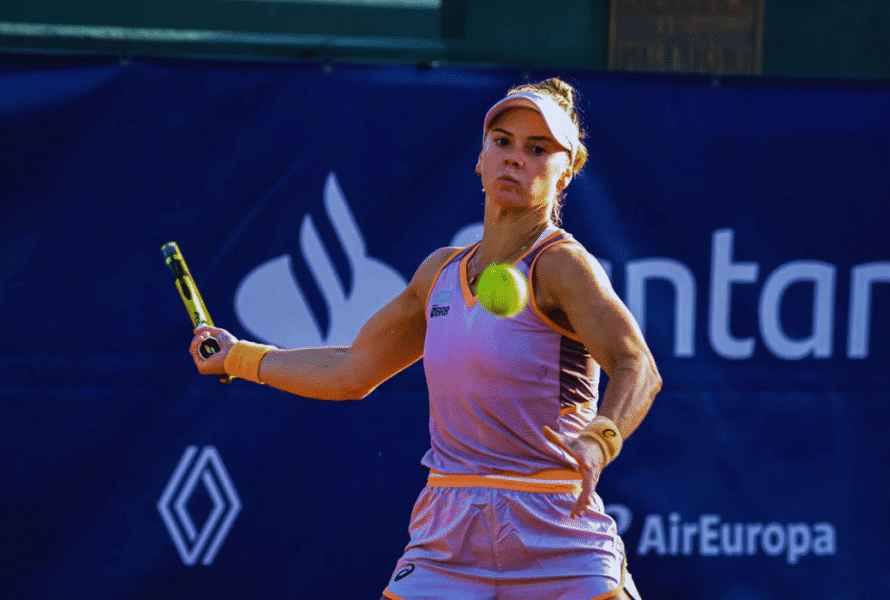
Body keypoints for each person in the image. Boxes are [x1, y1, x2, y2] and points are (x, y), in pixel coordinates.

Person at [190, 77, 662, 600]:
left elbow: (636, 364)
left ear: (565, 173)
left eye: (538, 149)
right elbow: (352, 369)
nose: (514, 158)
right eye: (501, 142)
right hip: (448, 531)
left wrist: (600, 441)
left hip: (555, 524)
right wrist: (238, 356)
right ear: (480, 159)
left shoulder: (564, 267)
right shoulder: (437, 273)